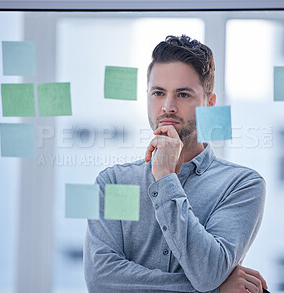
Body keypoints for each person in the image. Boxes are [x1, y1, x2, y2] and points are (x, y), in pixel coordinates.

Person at [84, 35, 268, 293]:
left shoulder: (241, 185)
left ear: (209, 104)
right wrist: (215, 291)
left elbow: (208, 273)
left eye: (183, 94)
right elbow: (102, 281)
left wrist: (165, 179)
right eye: (158, 93)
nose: (167, 107)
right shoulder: (113, 182)